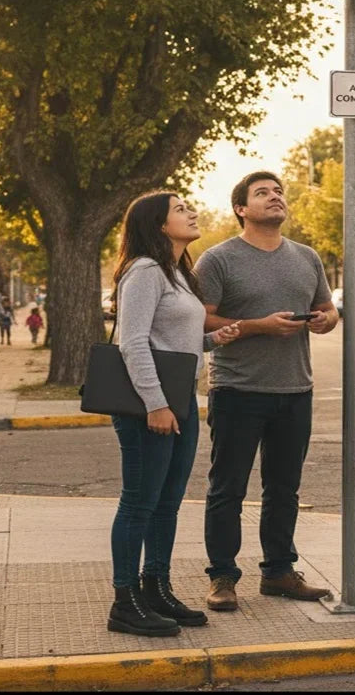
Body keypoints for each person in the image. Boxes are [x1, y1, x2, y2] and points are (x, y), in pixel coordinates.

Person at [197, 171, 339, 613]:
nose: (275, 197)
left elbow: (329, 309)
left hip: (295, 388)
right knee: (228, 488)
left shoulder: (306, 257)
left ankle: (278, 572)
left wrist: (324, 321)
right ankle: (222, 577)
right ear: (241, 208)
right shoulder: (218, 259)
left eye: (278, 192)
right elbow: (201, 321)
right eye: (263, 193)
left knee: (284, 488)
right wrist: (259, 326)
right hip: (238, 388)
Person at [107, 191, 241, 637]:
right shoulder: (145, 271)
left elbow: (173, 339)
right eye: (180, 208)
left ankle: (156, 589)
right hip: (153, 403)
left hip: (179, 396)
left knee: (167, 503)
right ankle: (125, 602)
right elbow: (133, 341)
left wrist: (213, 340)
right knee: (139, 502)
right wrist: (156, 404)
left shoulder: (178, 274)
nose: (192, 211)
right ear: (159, 224)